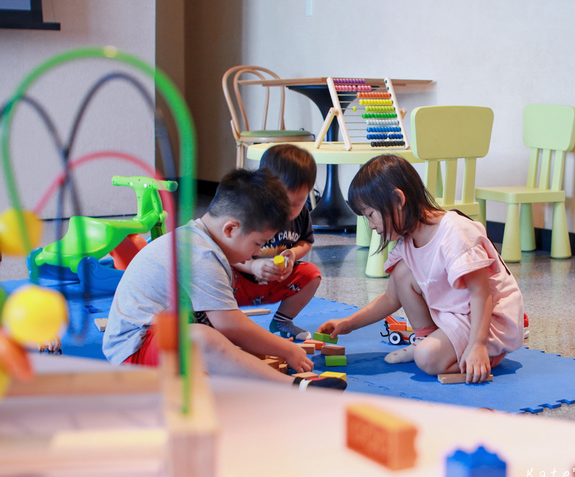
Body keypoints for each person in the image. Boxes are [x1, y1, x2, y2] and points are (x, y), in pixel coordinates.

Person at [102, 168, 345, 390]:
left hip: (166, 335)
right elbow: (229, 324)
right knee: (203, 340)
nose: (254, 253)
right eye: (257, 244)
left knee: (223, 353)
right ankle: (290, 387)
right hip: (135, 350)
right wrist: (286, 348)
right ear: (230, 229)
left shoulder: (204, 240)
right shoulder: (200, 254)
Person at [317, 155, 525, 384]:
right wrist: (348, 323)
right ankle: (427, 342)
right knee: (402, 272)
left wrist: (478, 345)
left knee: (427, 359)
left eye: (370, 215)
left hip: (487, 317)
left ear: (398, 199)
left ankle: (489, 355)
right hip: (455, 313)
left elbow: (481, 294)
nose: (372, 226)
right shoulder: (407, 241)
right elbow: (391, 297)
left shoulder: (455, 233)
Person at [230, 144, 320, 341]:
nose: (289, 210)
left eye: (298, 203)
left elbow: (305, 241)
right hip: (240, 285)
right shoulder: (248, 212)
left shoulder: (302, 213)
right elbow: (225, 252)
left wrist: (293, 254)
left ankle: (281, 321)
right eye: (282, 201)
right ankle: (221, 323)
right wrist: (252, 265)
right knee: (216, 271)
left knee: (311, 274)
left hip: (275, 283)